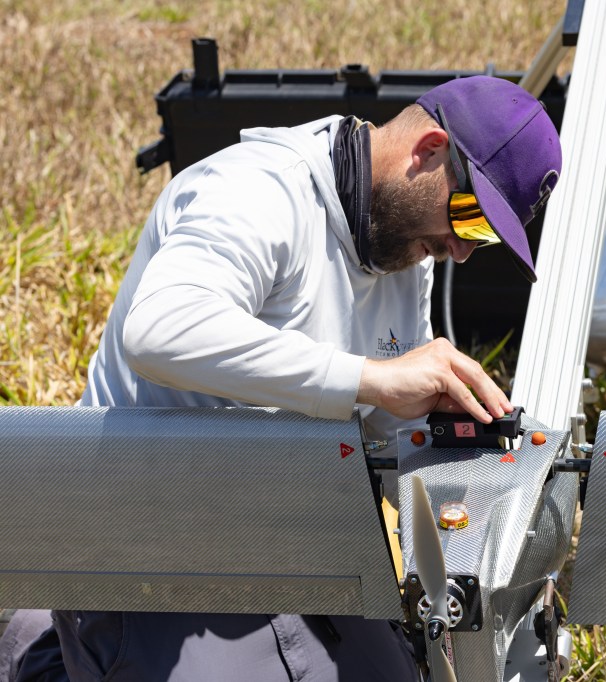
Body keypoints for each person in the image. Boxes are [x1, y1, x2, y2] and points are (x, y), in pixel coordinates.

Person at [0, 75, 562, 681]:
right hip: (151, 533)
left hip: (290, 529)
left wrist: (443, 439)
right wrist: (371, 378)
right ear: (429, 150)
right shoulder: (258, 189)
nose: (460, 252)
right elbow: (159, 328)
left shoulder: (402, 245)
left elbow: (377, 417)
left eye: (482, 238)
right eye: (471, 219)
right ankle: (37, 637)